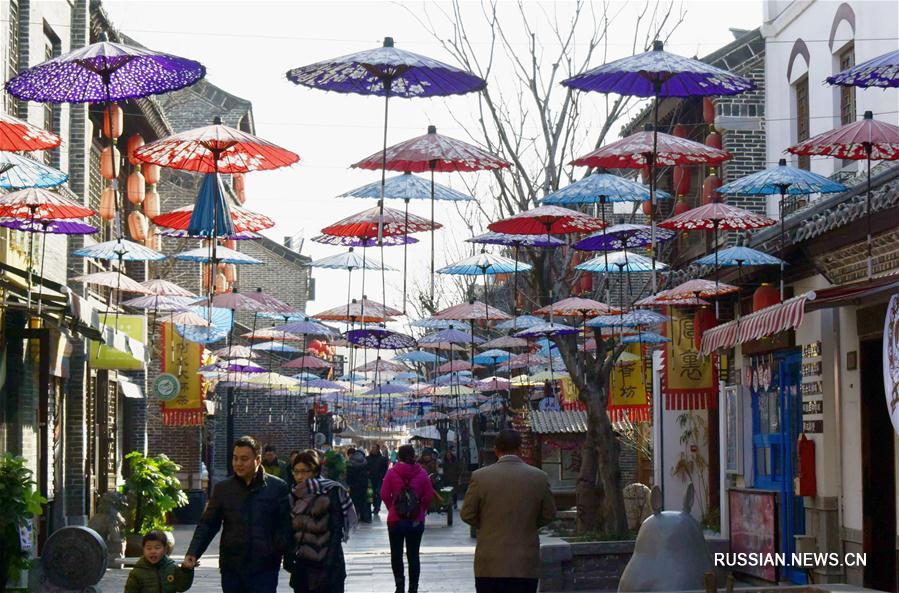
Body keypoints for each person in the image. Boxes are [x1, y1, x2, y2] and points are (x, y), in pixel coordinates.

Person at [184, 435, 291, 593]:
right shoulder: (223, 489)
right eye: (235, 458)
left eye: (244, 459)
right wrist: (193, 552)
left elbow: (285, 525)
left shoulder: (277, 487)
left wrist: (278, 549)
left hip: (265, 567)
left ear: (258, 460)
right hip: (232, 566)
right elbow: (208, 524)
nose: (238, 464)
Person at [461, 429, 556, 593]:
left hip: (490, 561)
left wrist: (486, 525)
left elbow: (467, 514)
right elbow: (549, 513)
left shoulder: (480, 477)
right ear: (520, 449)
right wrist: (529, 524)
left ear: (496, 449)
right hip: (524, 561)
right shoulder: (538, 477)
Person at [285, 450, 357, 593]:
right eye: (296, 471)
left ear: (315, 471)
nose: (300, 476)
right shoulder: (293, 495)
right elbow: (289, 529)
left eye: (305, 471)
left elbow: (336, 530)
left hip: (328, 565)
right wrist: (288, 555)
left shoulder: (331, 491)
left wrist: (328, 565)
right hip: (303, 567)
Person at [381, 444, 435, 593]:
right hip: (415, 520)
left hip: (395, 520)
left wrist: (392, 507)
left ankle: (399, 586)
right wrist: (421, 510)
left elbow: (384, 494)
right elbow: (429, 495)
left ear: (398, 456)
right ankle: (413, 588)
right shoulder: (422, 473)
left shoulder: (392, 473)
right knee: (413, 555)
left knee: (396, 554)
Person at [124, 530, 194, 593]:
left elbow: (182, 587)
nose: (153, 551)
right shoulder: (137, 572)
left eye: (157, 548)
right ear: (143, 549)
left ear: (165, 549)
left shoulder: (172, 568)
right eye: (149, 548)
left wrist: (187, 570)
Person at [345, 447, 372, 523]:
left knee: (354, 501)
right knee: (363, 500)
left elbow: (349, 474)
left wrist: (349, 483)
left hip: (354, 485)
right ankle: (365, 517)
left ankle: (355, 517)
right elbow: (368, 472)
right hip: (363, 484)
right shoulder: (365, 461)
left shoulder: (351, 461)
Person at [366, 444, 389, 515]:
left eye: (374, 448)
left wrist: (382, 475)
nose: (373, 449)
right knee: (371, 493)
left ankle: (377, 507)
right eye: (372, 448)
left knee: (378, 493)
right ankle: (372, 506)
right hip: (370, 479)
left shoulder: (383, 459)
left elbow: (385, 469)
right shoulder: (367, 458)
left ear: (378, 449)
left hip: (379, 479)